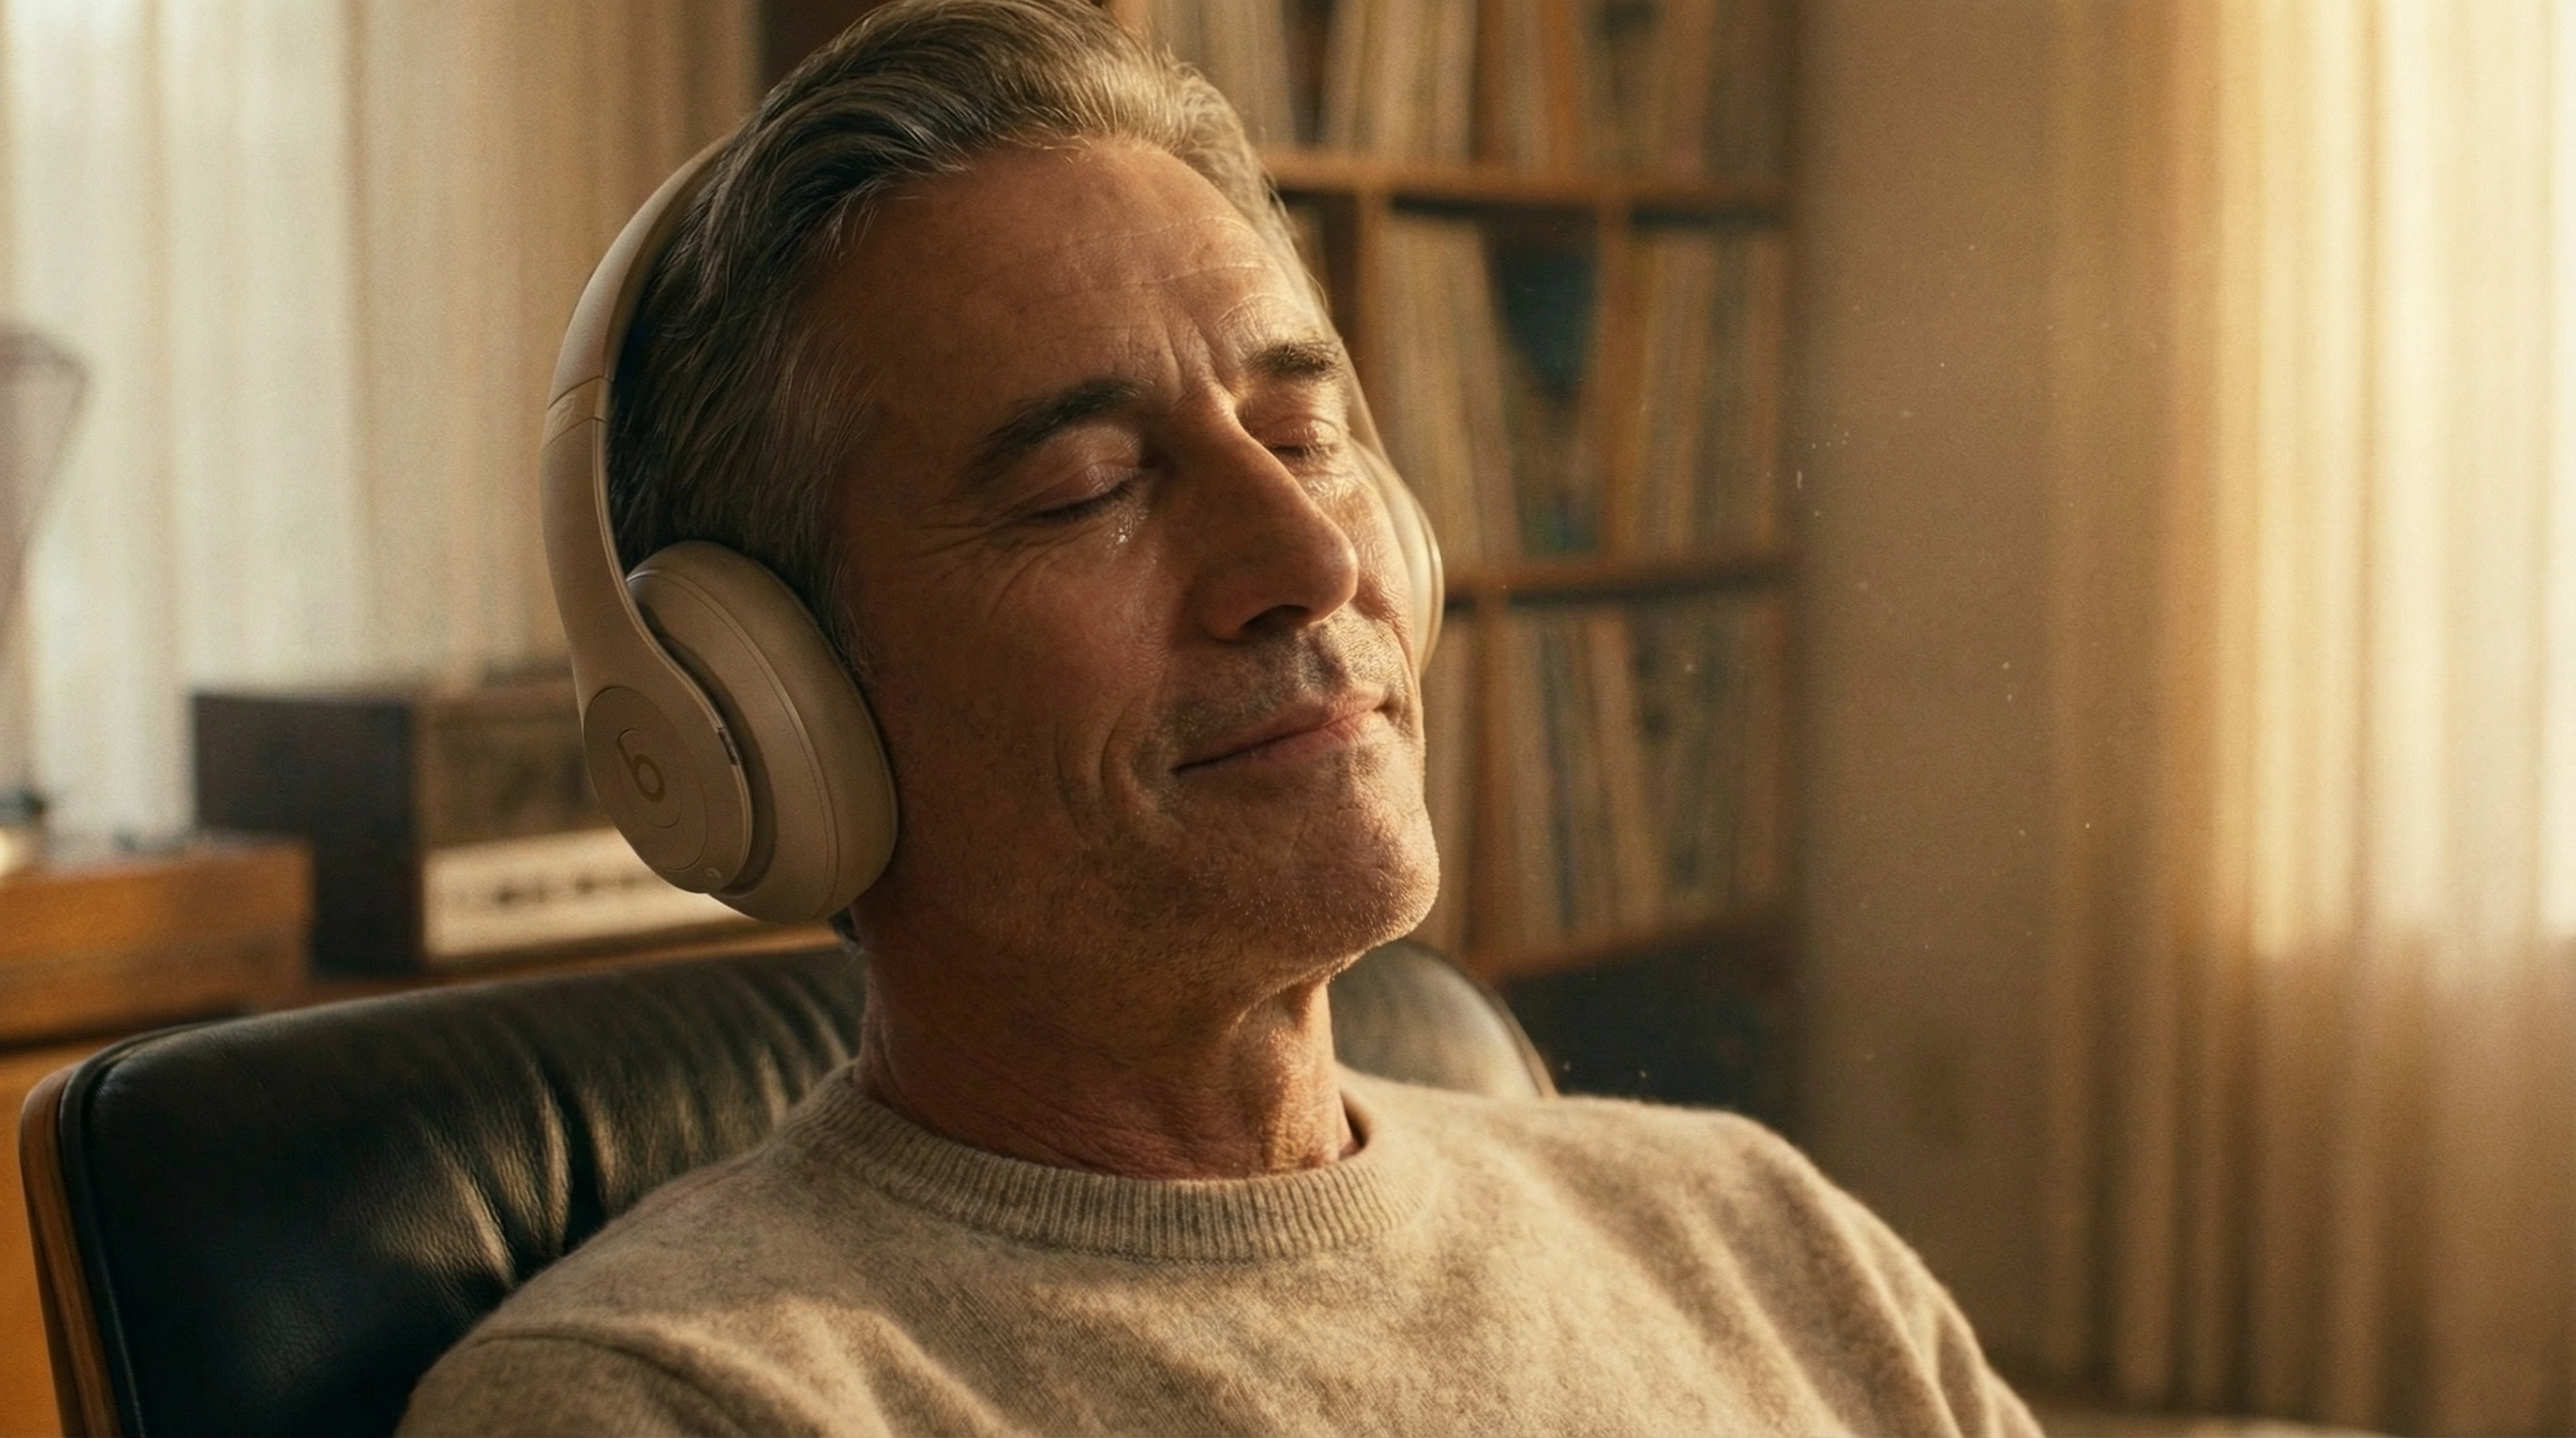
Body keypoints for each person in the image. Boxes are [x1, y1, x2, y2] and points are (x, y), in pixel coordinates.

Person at [399, 2, 2039, 1433]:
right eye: (1087, 488)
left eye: (1306, 436)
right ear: (764, 709)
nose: (1312, 561)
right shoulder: (665, 1406)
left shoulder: (1762, 1236)